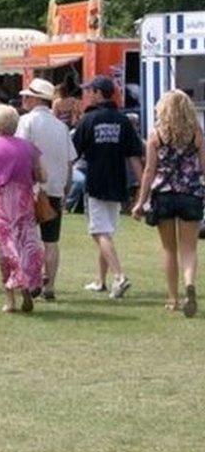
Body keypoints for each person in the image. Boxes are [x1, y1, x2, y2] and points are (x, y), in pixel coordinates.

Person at [131, 90, 205, 317]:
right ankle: (189, 285)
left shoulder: (156, 135)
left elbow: (149, 172)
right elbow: (203, 166)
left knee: (169, 250)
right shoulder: (196, 133)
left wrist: (140, 202)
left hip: (163, 195)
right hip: (191, 193)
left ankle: (173, 298)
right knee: (189, 248)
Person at [72, 76, 144, 298]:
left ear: (97, 93)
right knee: (106, 233)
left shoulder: (88, 120)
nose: (86, 95)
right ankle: (100, 281)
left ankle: (119, 276)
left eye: (89, 91)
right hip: (118, 183)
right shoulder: (123, 121)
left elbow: (72, 153)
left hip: (96, 183)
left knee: (99, 232)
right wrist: (143, 188)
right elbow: (134, 157)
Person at [0, 105, 46, 313]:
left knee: (4, 249)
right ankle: (28, 284)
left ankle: (10, 299)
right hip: (23, 201)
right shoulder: (29, 147)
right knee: (26, 244)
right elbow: (41, 175)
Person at [16, 78, 76, 301]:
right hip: (55, 189)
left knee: (27, 238)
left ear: (34, 99)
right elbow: (69, 162)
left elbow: (22, 154)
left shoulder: (26, 122)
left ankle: (30, 281)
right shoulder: (61, 127)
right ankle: (49, 286)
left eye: (27, 96)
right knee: (51, 240)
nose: (24, 100)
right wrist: (66, 188)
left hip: (31, 187)